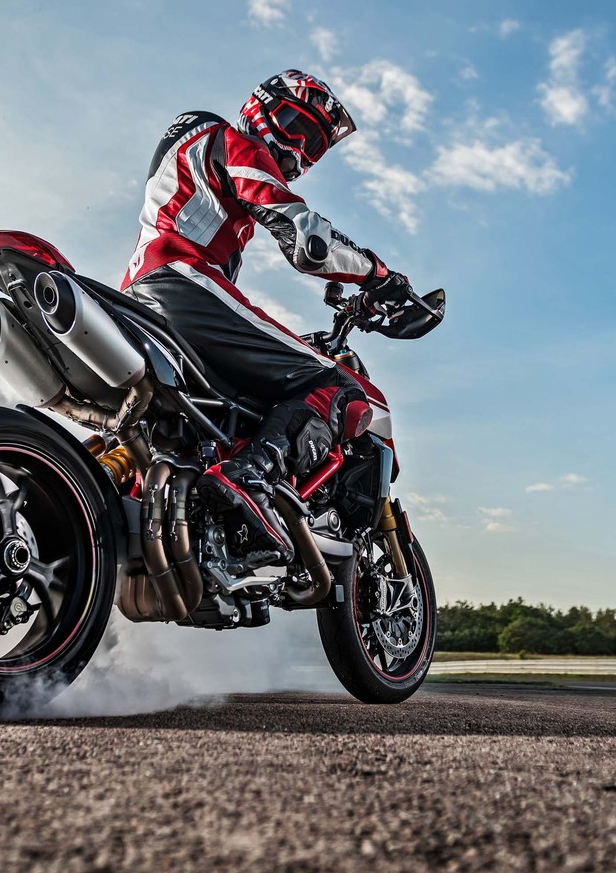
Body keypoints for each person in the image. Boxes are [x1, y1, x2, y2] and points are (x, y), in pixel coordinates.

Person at [122, 70, 412, 566]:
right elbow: (309, 242)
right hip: (181, 287)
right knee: (337, 385)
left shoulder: (193, 168)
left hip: (143, 298)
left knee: (208, 421)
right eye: (297, 130)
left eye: (313, 149)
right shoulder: (228, 140)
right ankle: (251, 478)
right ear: (262, 108)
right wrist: (379, 275)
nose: (298, 154)